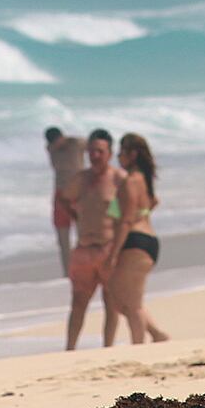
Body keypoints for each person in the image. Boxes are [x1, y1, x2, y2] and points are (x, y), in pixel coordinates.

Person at [101, 132, 170, 345]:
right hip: (147, 240)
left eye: (121, 153)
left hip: (135, 242)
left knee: (131, 305)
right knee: (119, 300)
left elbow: (126, 220)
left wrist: (113, 254)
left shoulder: (131, 181)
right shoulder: (145, 180)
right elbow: (153, 202)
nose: (118, 158)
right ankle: (157, 335)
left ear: (132, 154)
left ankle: (138, 347)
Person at [63, 129, 122, 350]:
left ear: (109, 152)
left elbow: (140, 205)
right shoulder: (82, 179)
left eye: (100, 151)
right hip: (84, 249)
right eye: (91, 151)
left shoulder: (118, 179)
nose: (95, 155)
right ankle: (69, 349)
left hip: (108, 247)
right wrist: (76, 216)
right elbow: (65, 199)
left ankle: (108, 348)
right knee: (78, 303)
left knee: (111, 302)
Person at [44, 126, 82, 276]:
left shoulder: (76, 144)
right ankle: (67, 272)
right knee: (62, 235)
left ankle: (84, 268)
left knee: (82, 233)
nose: (55, 145)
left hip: (78, 191)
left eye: (57, 142)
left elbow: (91, 145)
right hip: (60, 193)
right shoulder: (51, 149)